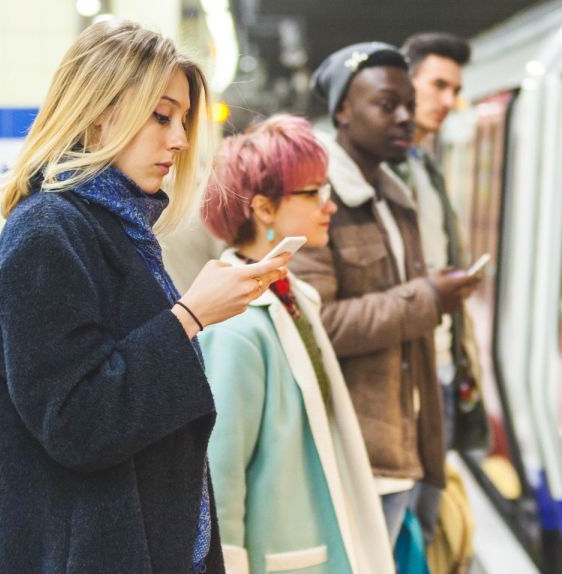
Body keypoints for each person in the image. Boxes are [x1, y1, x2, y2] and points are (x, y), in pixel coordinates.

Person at [0, 19, 290, 572]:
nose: (180, 139)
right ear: (98, 114)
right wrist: (190, 316)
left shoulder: (115, 227)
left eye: (184, 119)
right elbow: (77, 422)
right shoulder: (47, 234)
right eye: (161, 115)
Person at [295, 42, 480, 544]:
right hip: (357, 456)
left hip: (404, 443)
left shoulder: (395, 200)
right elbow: (317, 325)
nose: (405, 117)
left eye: (408, 105)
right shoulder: (316, 199)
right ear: (343, 110)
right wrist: (428, 299)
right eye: (386, 104)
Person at [199, 115, 393, 574]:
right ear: (264, 209)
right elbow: (219, 485)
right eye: (313, 193)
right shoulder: (235, 327)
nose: (330, 206)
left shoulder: (291, 295)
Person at [394, 32, 488, 552]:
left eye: (456, 89)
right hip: (407, 376)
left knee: (423, 524)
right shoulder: (380, 171)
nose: (449, 101)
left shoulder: (426, 167)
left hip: (442, 370)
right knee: (405, 529)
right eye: (439, 85)